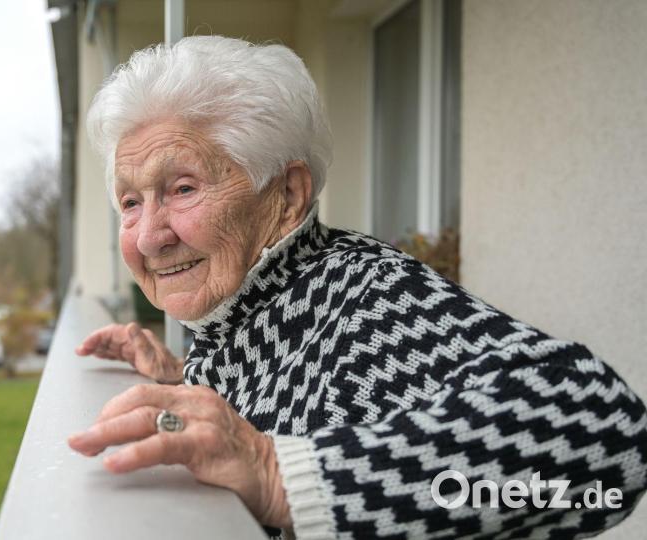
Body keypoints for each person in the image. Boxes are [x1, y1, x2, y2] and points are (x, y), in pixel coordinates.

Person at [66, 35, 647, 539]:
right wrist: (184, 375)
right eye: (130, 202)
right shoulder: (253, 306)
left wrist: (276, 474)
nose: (147, 238)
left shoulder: (363, 297)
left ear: (286, 197)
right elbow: (291, 390)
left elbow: (605, 433)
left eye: (184, 188)